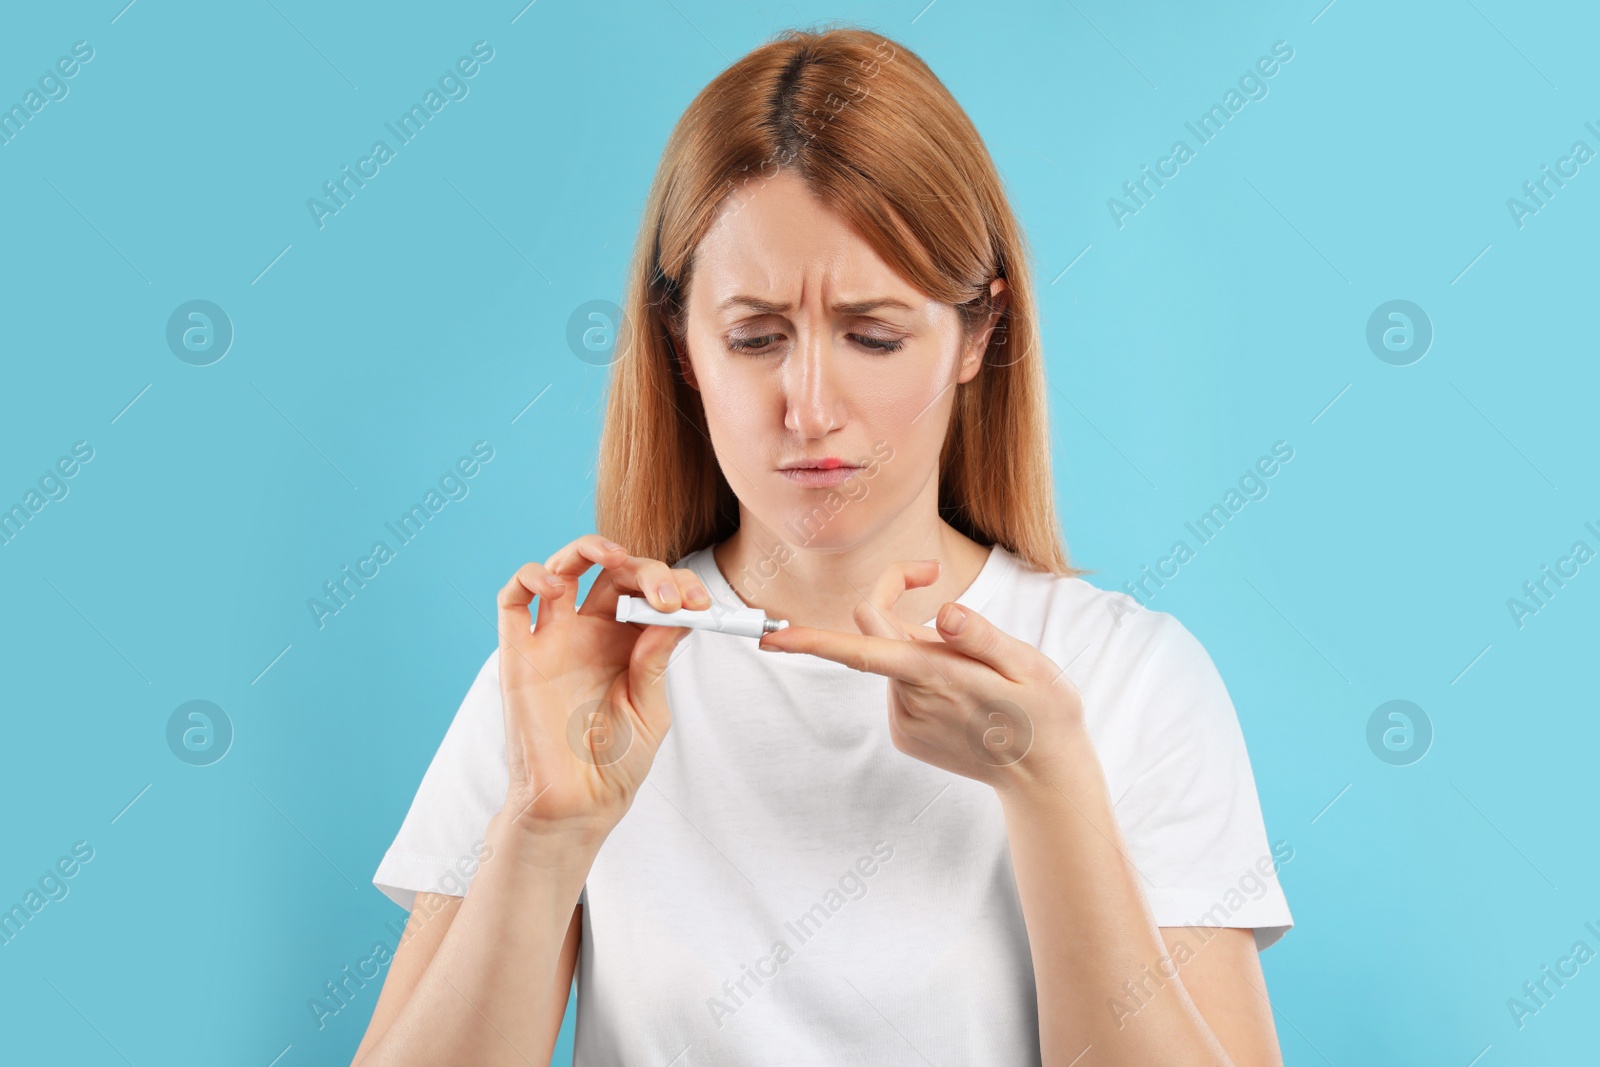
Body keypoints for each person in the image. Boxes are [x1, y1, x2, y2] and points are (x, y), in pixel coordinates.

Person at [352, 23, 1292, 1067]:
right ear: (680, 345)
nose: (809, 407)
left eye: (872, 334)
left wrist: (1050, 785)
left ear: (979, 331)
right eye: (755, 336)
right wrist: (542, 830)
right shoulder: (575, 678)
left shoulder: (1127, 679)